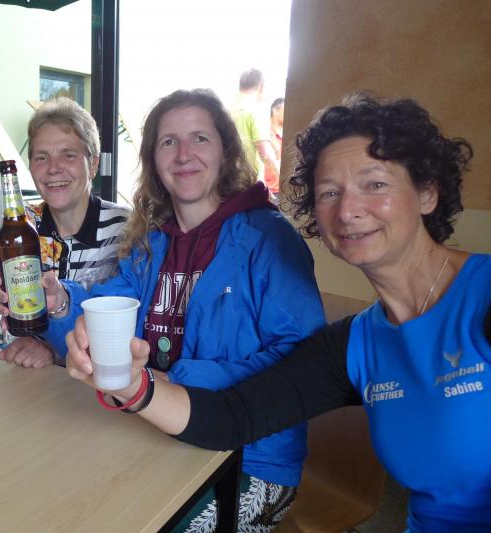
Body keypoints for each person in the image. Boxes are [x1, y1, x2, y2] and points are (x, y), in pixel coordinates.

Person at [65, 93, 491, 532]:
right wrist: (134, 384)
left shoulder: (482, 300)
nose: (348, 210)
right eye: (330, 192)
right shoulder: (357, 342)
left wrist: (171, 377)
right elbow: (235, 417)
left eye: (375, 184)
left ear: (427, 192)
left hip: (251, 467)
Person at [12, 89, 326, 531]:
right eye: (168, 142)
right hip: (151, 430)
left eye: (200, 138)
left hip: (250, 458)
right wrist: (60, 302)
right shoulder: (150, 243)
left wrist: (174, 381)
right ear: (154, 161)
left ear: (226, 152)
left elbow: (303, 365)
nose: (183, 154)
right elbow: (105, 307)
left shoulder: (270, 240)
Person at [0, 97, 128, 368]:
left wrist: (52, 350)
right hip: (24, 370)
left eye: (68, 155)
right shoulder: (20, 224)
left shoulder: (124, 228)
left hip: (93, 376)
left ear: (92, 164)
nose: (53, 168)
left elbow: (125, 326)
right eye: (41, 157)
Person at [231, 68, 280, 199]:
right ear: (261, 87)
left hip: (225, 182)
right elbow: (265, 153)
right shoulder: (255, 110)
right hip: (248, 185)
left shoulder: (225, 108)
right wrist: (281, 174)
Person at [263, 97, 285, 199]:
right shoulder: (264, 133)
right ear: (275, 111)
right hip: (269, 190)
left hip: (283, 189)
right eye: (285, 109)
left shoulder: (288, 133)